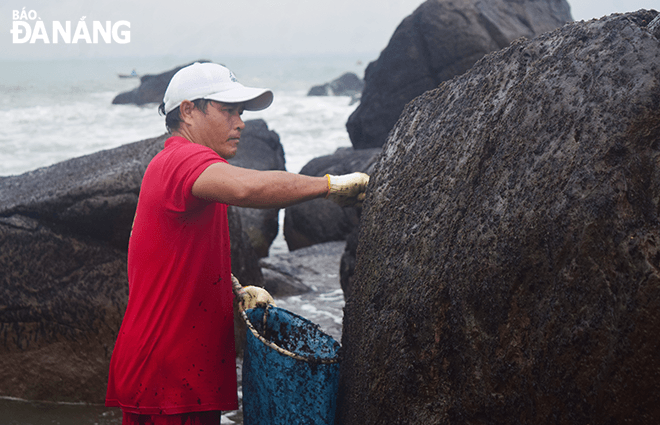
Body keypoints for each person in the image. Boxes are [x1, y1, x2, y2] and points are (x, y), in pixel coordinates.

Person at [105, 62, 369, 425]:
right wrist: (330, 186)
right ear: (188, 110)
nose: (240, 122)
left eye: (240, 112)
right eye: (228, 110)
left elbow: (164, 255)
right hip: (167, 377)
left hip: (173, 370)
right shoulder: (183, 159)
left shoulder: (173, 165)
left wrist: (231, 288)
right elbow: (249, 188)